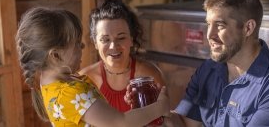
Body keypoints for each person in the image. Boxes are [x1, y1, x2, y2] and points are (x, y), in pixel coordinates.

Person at [126, 0, 269, 126]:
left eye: (220, 26)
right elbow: (185, 123)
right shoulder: (209, 70)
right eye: (208, 24)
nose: (209, 35)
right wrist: (156, 111)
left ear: (248, 28)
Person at [15, 7, 169, 127]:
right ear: (55, 55)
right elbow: (122, 123)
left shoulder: (53, 85)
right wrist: (159, 107)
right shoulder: (71, 93)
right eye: (76, 44)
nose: (82, 46)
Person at [79, 0, 165, 112]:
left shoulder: (149, 76)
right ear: (95, 43)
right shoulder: (85, 80)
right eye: (105, 39)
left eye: (121, 38)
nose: (113, 46)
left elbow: (165, 120)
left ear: (131, 39)